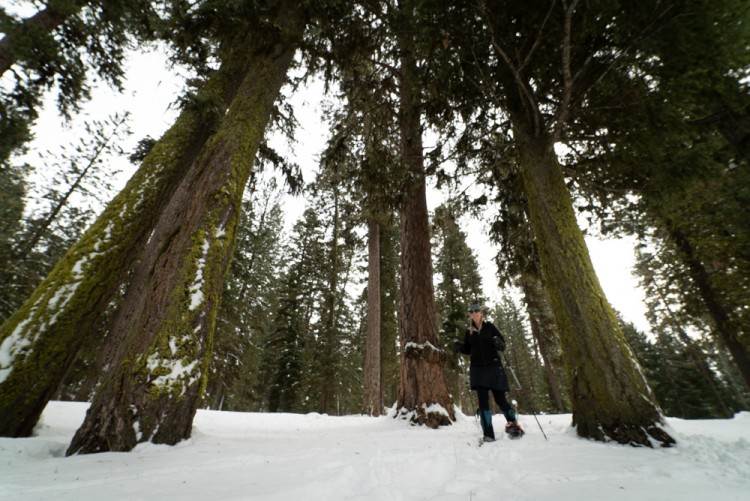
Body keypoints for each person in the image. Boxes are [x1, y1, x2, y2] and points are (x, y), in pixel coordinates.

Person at [452, 304, 523, 441]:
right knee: (483, 402)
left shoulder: (490, 327)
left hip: (494, 367)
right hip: (478, 370)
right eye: (471, 311)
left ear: (481, 313)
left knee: (500, 400)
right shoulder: (469, 332)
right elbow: (468, 349)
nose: (474, 313)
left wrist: (498, 343)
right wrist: (459, 347)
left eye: (476, 310)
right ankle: (488, 434)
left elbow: (502, 344)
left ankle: (513, 424)